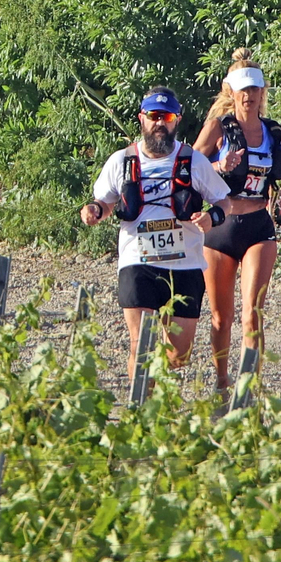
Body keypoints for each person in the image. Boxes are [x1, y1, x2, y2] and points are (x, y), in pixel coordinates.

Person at [81, 87, 234, 386]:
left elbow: (224, 202)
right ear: (142, 118)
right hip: (138, 260)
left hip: (185, 264)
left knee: (179, 354)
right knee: (141, 346)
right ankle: (142, 414)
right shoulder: (121, 160)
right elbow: (105, 201)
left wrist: (210, 218)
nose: (159, 123)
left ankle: (155, 383)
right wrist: (94, 210)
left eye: (166, 117)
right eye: (153, 116)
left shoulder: (195, 161)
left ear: (177, 120)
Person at [192, 48, 281, 393]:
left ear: (262, 93)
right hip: (221, 227)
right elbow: (187, 168)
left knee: (253, 312)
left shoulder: (274, 132)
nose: (250, 97)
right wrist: (218, 167)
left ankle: (249, 386)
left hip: (258, 226)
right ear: (231, 92)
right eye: (244, 90)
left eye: (256, 90)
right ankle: (222, 382)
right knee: (221, 318)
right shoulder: (217, 128)